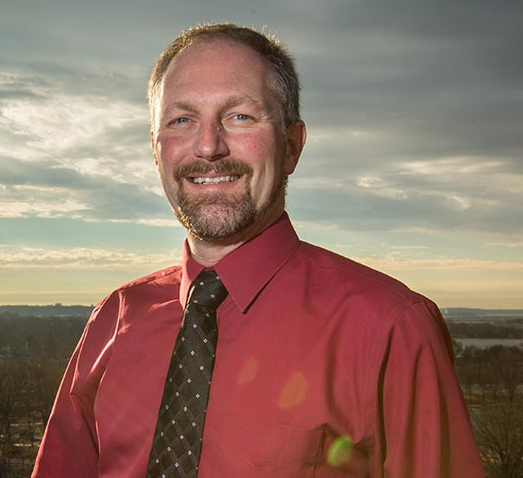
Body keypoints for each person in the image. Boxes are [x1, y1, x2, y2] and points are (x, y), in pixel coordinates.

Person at [31, 24, 485, 477]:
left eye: (240, 117)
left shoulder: (390, 329)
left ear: (291, 145)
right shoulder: (114, 318)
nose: (208, 146)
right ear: (156, 150)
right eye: (181, 120)